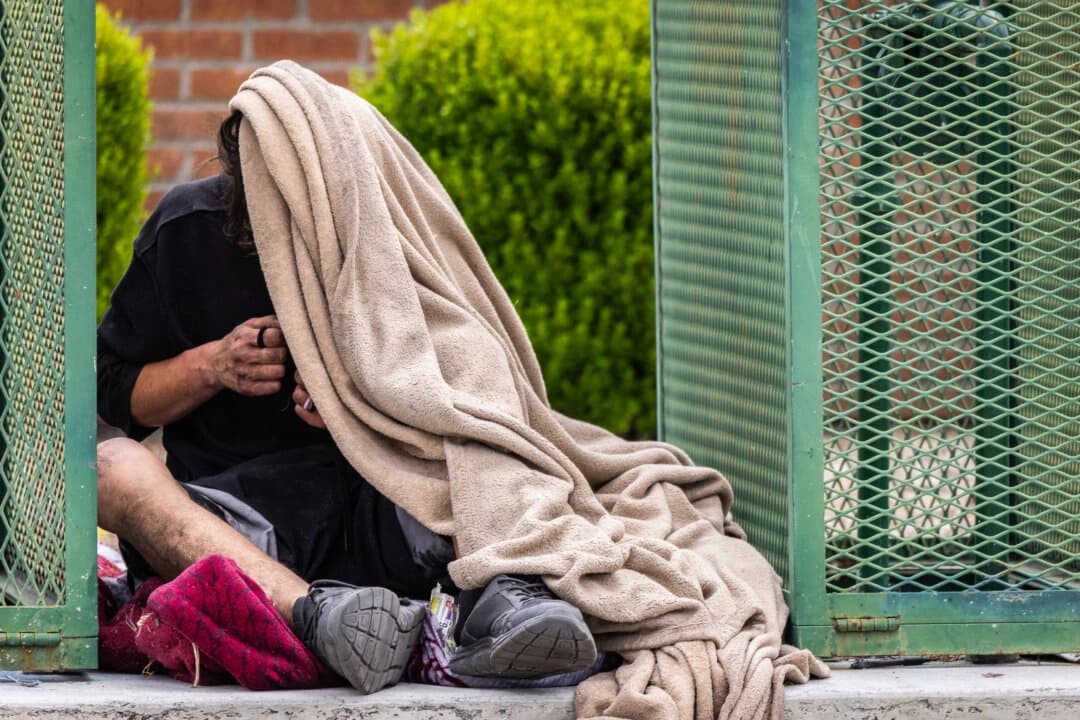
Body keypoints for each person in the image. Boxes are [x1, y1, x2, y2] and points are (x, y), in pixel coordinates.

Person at [96, 110, 598, 692]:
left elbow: (472, 380)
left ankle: (509, 597)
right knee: (110, 468)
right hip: (245, 525)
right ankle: (320, 617)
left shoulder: (390, 229)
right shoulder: (186, 228)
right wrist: (212, 366)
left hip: (391, 505)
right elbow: (115, 397)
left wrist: (360, 400)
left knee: (481, 432)